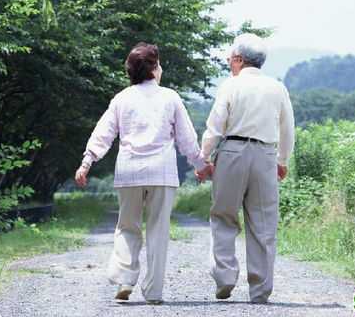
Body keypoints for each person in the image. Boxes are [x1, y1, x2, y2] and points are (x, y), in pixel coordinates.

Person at [75, 42, 211, 305]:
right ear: (154, 68)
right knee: (158, 230)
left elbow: (103, 132)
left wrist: (87, 161)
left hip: (129, 171)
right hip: (161, 172)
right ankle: (154, 292)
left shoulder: (122, 98)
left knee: (127, 226)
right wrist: (200, 165)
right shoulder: (170, 97)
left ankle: (126, 280)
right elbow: (186, 139)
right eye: (158, 64)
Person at [197, 33, 295, 303]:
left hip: (232, 153)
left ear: (239, 59)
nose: (229, 62)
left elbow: (215, 126)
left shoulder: (231, 85)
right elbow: (288, 129)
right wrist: (282, 161)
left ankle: (225, 278)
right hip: (265, 155)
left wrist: (204, 158)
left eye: (230, 58)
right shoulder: (277, 88)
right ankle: (260, 290)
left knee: (223, 216)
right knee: (264, 224)